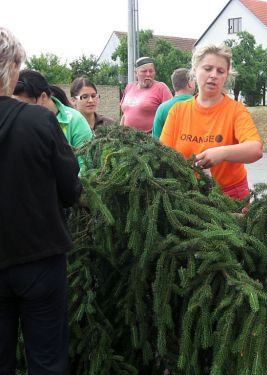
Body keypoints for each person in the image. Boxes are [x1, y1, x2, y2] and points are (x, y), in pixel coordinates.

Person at [0, 27, 81, 374]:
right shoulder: (40, 120)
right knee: (47, 360)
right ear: (14, 66)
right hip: (39, 261)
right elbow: (70, 190)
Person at [160, 44, 263, 200]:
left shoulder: (236, 110)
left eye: (220, 71)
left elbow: (255, 149)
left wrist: (222, 153)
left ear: (227, 76)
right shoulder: (177, 111)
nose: (213, 75)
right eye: (208, 69)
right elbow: (162, 155)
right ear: (194, 71)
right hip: (186, 195)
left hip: (230, 195)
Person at [13, 70, 93, 150]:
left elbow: (85, 160)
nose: (19, 110)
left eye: (24, 105)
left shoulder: (75, 120)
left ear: (43, 97)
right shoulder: (17, 122)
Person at [120, 56, 173, 132]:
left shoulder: (161, 88)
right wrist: (119, 133)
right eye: (144, 71)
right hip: (127, 139)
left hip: (150, 141)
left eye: (151, 71)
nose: (148, 74)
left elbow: (172, 114)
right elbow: (125, 114)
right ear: (136, 73)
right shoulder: (129, 87)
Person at [152, 68, 195, 139]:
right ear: (189, 84)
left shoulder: (162, 108)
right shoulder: (200, 105)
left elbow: (156, 139)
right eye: (194, 81)